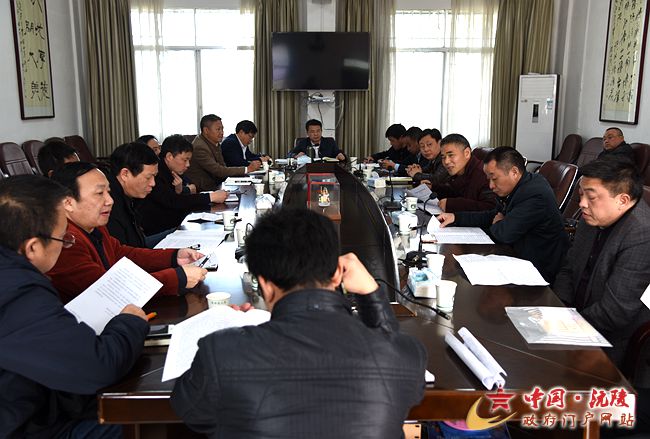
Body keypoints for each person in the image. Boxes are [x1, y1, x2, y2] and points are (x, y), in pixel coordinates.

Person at [171, 208, 427, 438]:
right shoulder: (404, 356)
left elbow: (192, 413)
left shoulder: (221, 352)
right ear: (337, 274)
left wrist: (228, 338)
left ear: (265, 285)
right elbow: (392, 354)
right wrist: (371, 294)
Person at [0, 174, 148, 438]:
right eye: (62, 239)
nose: (66, 244)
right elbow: (99, 366)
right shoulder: (18, 294)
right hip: (24, 425)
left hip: (30, 403)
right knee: (136, 418)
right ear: (32, 248)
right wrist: (130, 321)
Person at [47, 162, 207, 304]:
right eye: (99, 193)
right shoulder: (64, 241)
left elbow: (120, 253)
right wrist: (177, 278)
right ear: (68, 203)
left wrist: (173, 257)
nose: (110, 200)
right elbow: (109, 290)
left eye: (108, 192)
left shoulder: (93, 225)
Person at [553, 159, 650, 368]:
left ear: (623, 200)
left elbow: (615, 312)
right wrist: (559, 307)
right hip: (573, 319)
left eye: (591, 197)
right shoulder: (593, 216)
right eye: (581, 194)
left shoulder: (642, 235)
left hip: (611, 340)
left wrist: (564, 327)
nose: (581, 204)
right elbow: (568, 268)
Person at [437, 146, 569, 284]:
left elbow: (503, 234)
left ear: (514, 172)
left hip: (538, 271)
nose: (491, 186)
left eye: (494, 178)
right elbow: (492, 216)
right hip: (516, 257)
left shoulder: (535, 194)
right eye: (489, 179)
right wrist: (456, 217)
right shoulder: (519, 186)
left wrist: (499, 222)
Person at [139, 135, 228, 236]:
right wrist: (210, 197)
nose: (188, 164)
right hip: (159, 229)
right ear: (169, 157)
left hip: (174, 222)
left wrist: (182, 191)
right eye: (185, 160)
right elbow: (174, 201)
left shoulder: (173, 169)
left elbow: (191, 187)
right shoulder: (156, 173)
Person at [185, 114, 261, 192]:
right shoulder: (200, 147)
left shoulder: (214, 142)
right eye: (218, 129)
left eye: (222, 129)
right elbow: (218, 170)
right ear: (206, 130)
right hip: (203, 190)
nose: (222, 132)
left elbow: (222, 166)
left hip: (216, 185)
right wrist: (247, 169)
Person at [106, 142, 158, 247]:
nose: (153, 183)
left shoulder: (128, 195)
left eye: (154, 177)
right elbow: (123, 252)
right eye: (148, 177)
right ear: (125, 174)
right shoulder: (109, 205)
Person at [432, 133, 495, 212]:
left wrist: (451, 204)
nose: (446, 161)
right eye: (443, 157)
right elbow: (454, 192)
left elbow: (490, 208)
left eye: (451, 155)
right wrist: (433, 188)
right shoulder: (459, 171)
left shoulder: (483, 174)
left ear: (467, 153)